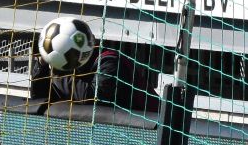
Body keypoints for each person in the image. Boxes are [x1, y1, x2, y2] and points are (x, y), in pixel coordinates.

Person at [31, 44, 159, 112]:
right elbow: (38, 99)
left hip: (147, 130)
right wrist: (42, 64)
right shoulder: (64, 68)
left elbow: (93, 97)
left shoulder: (110, 61)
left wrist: (56, 76)